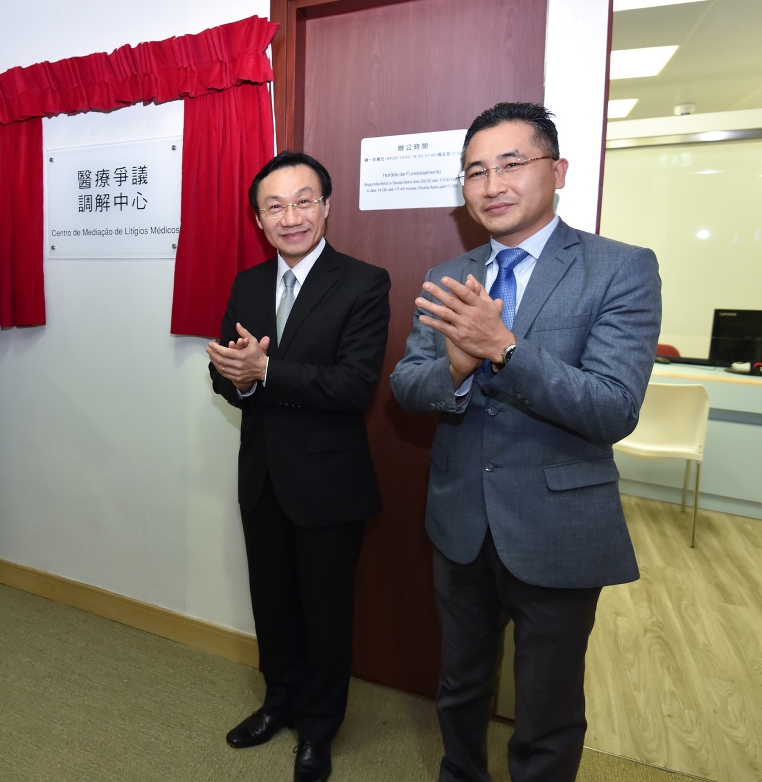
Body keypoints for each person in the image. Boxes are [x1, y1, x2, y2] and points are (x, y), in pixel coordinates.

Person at [389, 102, 661, 782]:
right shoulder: (448, 274)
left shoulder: (619, 268)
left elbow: (612, 408)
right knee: (458, 690)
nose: (490, 184)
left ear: (556, 170)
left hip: (557, 526)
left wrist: (504, 349)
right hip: (459, 525)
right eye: (474, 171)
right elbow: (405, 388)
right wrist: (454, 365)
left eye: (511, 163)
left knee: (546, 713)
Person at [207, 151, 391, 782]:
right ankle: (277, 703)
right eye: (274, 206)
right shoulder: (248, 284)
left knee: (325, 613)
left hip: (328, 483)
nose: (291, 217)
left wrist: (265, 372)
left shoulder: (365, 282)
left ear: (327, 206)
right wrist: (238, 379)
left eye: (303, 201)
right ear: (259, 220)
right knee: (274, 603)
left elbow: (353, 386)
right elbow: (226, 372)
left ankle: (318, 728)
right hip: (262, 476)